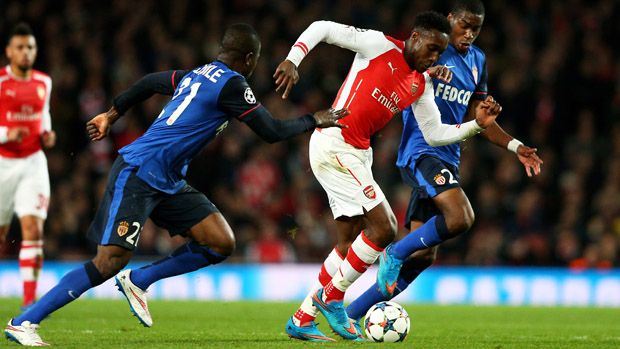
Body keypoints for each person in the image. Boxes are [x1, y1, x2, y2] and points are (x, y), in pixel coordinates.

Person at [4, 23, 348, 346]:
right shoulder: (232, 84)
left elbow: (149, 82)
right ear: (249, 59)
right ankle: (24, 322)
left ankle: (139, 281)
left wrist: (112, 114)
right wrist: (312, 120)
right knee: (109, 261)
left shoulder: (197, 74)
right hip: (140, 170)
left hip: (168, 179)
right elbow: (271, 132)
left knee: (220, 242)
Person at [274, 11, 502, 341]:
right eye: (432, 50)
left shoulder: (420, 83)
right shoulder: (378, 45)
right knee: (384, 228)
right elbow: (322, 27)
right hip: (334, 142)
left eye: (440, 53)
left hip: (358, 153)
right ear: (415, 38)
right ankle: (332, 297)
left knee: (347, 244)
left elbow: (435, 133)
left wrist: (476, 125)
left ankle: (302, 318)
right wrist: (294, 59)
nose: (436, 58)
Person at [345, 0, 544, 322]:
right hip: (421, 152)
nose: (468, 34)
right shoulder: (432, 51)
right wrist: (424, 70)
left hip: (448, 157)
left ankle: (353, 313)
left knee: (423, 254)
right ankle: (393, 253)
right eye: (464, 25)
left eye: (475, 29)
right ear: (450, 19)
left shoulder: (478, 61)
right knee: (461, 217)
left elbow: (479, 120)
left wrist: (514, 146)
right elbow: (401, 68)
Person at [0, 22, 56, 309]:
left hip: (33, 162)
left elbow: (42, 114)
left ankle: (29, 302)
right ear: (9, 51)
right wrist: (5, 134)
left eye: (30, 48)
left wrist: (47, 132)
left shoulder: (43, 82)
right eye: (20, 48)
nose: (25, 53)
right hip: (2, 164)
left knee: (33, 230)